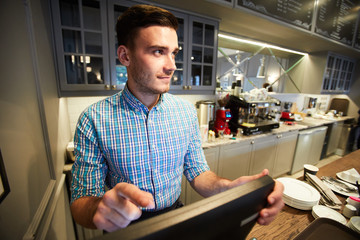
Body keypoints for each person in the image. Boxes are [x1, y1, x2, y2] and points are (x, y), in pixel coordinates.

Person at [70, 4, 284, 233]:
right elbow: (81, 200)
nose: (172, 66)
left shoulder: (185, 112)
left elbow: (198, 172)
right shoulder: (93, 119)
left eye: (173, 53)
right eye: (158, 51)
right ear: (125, 56)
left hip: (175, 218)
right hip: (124, 227)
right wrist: (99, 208)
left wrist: (229, 187)